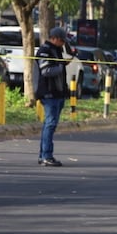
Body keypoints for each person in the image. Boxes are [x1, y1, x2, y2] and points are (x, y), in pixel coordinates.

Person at [34, 27, 75, 167]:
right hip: (48, 92)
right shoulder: (45, 51)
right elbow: (46, 70)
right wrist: (61, 65)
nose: (63, 44)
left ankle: (43, 155)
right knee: (50, 124)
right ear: (55, 38)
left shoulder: (56, 50)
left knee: (50, 124)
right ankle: (46, 156)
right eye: (62, 41)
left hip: (58, 92)